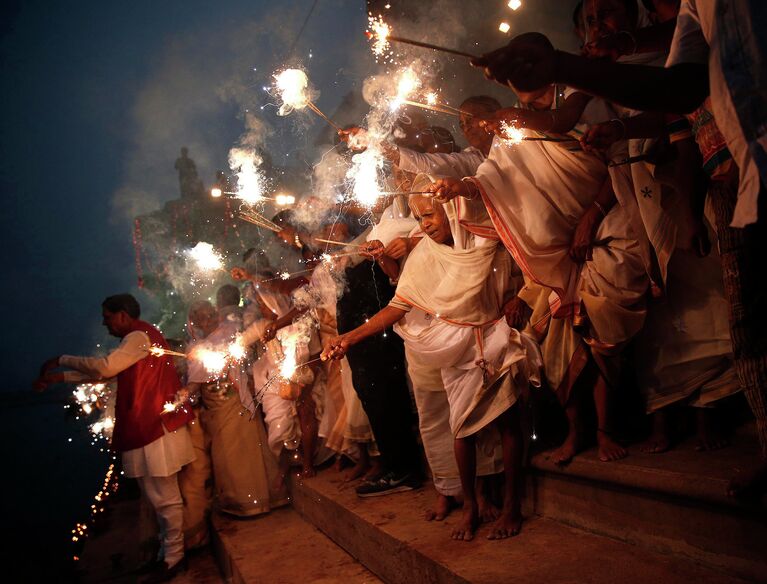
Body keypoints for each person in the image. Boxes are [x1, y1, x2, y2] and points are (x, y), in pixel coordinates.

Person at [474, 12, 767, 494]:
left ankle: (704, 415)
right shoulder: (679, 27)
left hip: (646, 201)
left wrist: (569, 78)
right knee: (743, 318)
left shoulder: (605, 71)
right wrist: (613, 125)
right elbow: (683, 91)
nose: (599, 25)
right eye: (590, 19)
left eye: (607, 12)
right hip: (730, 180)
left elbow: (670, 103)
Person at [429, 70, 650, 464]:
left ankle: (605, 430)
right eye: (463, 123)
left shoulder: (579, 101)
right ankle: (575, 432)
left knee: (599, 335)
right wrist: (457, 187)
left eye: (477, 118)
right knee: (557, 348)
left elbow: (616, 164)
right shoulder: (511, 141)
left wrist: (592, 217)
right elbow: (489, 181)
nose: (473, 128)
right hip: (554, 256)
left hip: (606, 231)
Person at [324, 189, 541, 541]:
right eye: (420, 217)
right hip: (455, 350)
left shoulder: (488, 238)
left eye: (429, 215)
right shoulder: (425, 254)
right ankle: (470, 504)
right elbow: (398, 305)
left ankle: (512, 506)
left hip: (496, 338)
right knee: (461, 431)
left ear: (454, 209)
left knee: (509, 425)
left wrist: (518, 297)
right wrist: (349, 338)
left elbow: (526, 269)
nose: (424, 225)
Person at [35, 294, 195, 583]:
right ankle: (167, 555)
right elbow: (106, 376)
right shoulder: (138, 339)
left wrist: (60, 360)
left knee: (165, 497)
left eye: (107, 317)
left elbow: (105, 368)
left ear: (123, 315)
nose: (104, 323)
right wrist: (59, 378)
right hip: (148, 426)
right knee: (157, 498)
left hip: (156, 427)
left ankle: (175, 557)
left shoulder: (138, 336)